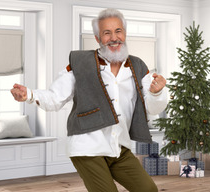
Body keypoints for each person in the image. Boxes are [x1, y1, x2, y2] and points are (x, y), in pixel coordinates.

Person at [11, 8, 167, 192]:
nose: (114, 37)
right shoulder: (80, 63)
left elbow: (152, 107)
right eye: (106, 33)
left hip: (118, 147)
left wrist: (157, 92)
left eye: (118, 31)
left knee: (148, 189)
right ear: (97, 38)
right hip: (86, 146)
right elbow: (55, 97)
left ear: (124, 33)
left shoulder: (138, 66)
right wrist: (29, 95)